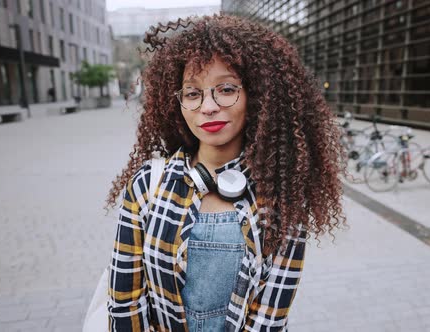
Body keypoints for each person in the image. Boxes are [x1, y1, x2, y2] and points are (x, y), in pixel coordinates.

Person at [105, 15, 347, 331]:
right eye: (193, 93)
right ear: (177, 103)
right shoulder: (148, 185)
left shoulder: (283, 195)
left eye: (227, 89)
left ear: (258, 96)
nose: (208, 106)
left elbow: (269, 319)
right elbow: (124, 303)